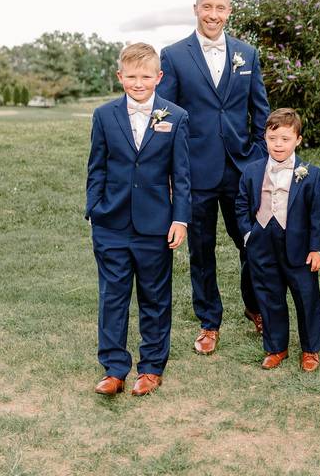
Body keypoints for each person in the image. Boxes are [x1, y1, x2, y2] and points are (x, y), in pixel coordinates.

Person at [158, 0, 271, 355]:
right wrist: (175, 171)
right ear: (195, 9)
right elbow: (167, 119)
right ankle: (209, 321)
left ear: (229, 12)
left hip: (241, 169)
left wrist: (257, 159)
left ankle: (255, 306)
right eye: (207, 7)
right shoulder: (174, 56)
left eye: (220, 8)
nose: (213, 14)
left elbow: (261, 112)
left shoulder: (247, 54)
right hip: (196, 171)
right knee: (201, 250)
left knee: (252, 242)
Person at [86, 43, 191, 397]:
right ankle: (114, 369)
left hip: (155, 225)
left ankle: (151, 368)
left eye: (146, 76)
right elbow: (96, 167)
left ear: (158, 77)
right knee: (112, 297)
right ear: (120, 77)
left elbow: (183, 175)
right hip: (111, 224)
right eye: (131, 76)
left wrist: (180, 220)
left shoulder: (175, 117)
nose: (138, 82)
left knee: (154, 297)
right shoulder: (104, 116)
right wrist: (94, 210)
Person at [236, 109, 320, 372]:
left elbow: (317, 215)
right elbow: (241, 204)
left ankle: (311, 348)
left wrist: (318, 249)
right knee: (268, 294)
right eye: (273, 138)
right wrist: (248, 234)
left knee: (306, 295)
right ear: (265, 137)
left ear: (298, 140)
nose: (279, 145)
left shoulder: (310, 174)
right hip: (262, 240)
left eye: (286, 139)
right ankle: (276, 347)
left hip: (298, 244)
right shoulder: (252, 171)